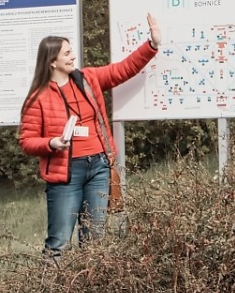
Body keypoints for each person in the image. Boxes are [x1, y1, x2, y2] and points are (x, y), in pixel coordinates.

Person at [18, 15, 161, 257]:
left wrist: (152, 45)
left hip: (99, 167)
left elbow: (122, 70)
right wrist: (51, 143)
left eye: (71, 51)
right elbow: (27, 141)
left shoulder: (87, 79)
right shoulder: (38, 97)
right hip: (66, 175)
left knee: (95, 241)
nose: (73, 56)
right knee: (59, 243)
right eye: (67, 53)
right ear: (52, 62)